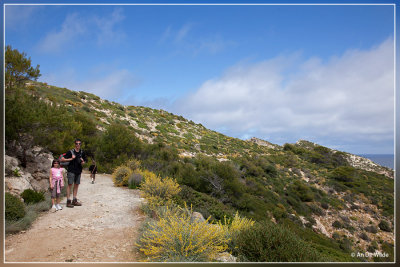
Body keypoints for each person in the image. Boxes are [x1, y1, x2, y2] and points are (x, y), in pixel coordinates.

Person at [61, 138, 87, 208]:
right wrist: (71, 158)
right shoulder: (70, 152)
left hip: (78, 171)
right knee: (70, 185)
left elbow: (85, 161)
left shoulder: (82, 152)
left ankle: (74, 200)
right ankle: (68, 201)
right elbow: (62, 159)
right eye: (76, 143)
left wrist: (83, 161)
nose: (78, 145)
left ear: (80, 144)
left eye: (79, 143)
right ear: (74, 144)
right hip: (71, 170)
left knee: (76, 185)